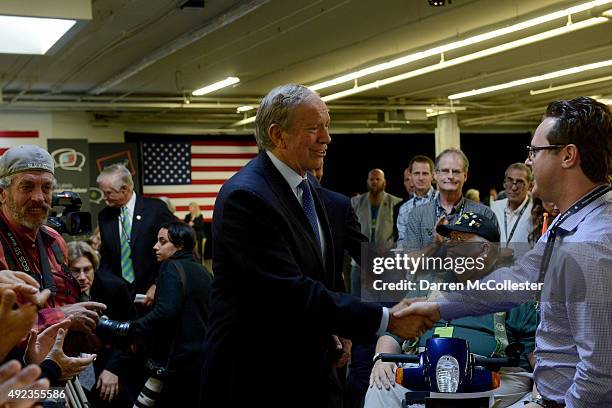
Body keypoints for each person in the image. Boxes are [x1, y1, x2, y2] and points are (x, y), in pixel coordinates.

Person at [200, 84, 434, 408]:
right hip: (259, 378)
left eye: (327, 125)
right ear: (278, 135)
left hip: (312, 368)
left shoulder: (307, 185)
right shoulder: (248, 198)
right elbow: (291, 293)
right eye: (314, 128)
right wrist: (386, 320)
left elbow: (324, 273)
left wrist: (339, 329)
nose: (327, 138)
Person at [393, 97, 612, 408]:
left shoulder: (592, 243)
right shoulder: (571, 223)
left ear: (568, 156)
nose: (530, 161)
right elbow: (517, 280)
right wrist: (438, 306)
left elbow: (601, 372)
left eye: (535, 151)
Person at [365, 212, 536, 408]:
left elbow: (540, 358)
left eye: (459, 241)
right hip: (424, 372)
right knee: (381, 387)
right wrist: (382, 360)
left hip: (494, 380)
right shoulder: (427, 284)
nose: (450, 246)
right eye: (450, 240)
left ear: (484, 250)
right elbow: (393, 333)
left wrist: (539, 400)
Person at [0, 144, 106, 334]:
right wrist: (61, 317)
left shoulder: (55, 241)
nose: (39, 198)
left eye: (47, 187)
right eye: (27, 187)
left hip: (57, 360)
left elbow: (66, 305)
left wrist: (85, 329)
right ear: (2, 194)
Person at [126, 221, 212, 407]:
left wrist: (132, 328)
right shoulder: (203, 271)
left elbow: (165, 311)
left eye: (162, 241)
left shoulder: (171, 267)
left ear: (179, 245)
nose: (155, 246)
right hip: (201, 360)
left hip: (176, 362)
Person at [67, 241, 136, 406]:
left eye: (87, 269)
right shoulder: (58, 292)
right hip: (70, 371)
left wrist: (113, 369)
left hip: (108, 365)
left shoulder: (114, 288)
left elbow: (131, 332)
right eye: (76, 271)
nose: (83, 277)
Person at [96, 164, 175, 305]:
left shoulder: (155, 209)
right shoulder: (104, 216)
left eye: (108, 193)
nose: (104, 198)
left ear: (125, 189)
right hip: (120, 298)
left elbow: (174, 250)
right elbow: (106, 257)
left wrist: (158, 283)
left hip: (152, 295)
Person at [397, 148, 499, 253]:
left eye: (456, 171)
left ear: (465, 176)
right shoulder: (417, 215)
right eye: (445, 171)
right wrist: (434, 244)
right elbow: (410, 263)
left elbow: (493, 259)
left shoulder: (485, 214)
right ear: (435, 175)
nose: (450, 176)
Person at [395, 155, 437, 245]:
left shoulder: (445, 200)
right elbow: (401, 243)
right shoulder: (403, 209)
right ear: (411, 175)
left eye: (425, 173)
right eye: (416, 173)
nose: (420, 178)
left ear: (433, 176)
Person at [491, 163, 534, 245]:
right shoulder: (495, 208)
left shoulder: (534, 211)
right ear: (504, 183)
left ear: (530, 186)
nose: (514, 188)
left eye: (520, 182)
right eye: (510, 181)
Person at [392, 167, 415, 241]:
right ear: (404, 183)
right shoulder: (398, 208)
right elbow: (397, 238)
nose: (411, 184)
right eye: (407, 180)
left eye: (413, 179)